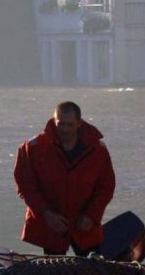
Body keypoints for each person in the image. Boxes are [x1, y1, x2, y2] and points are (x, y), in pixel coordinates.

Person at [13, 101, 116, 256]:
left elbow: (106, 187)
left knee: (93, 272)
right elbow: (26, 187)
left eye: (70, 125)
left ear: (79, 123)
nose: (65, 130)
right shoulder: (32, 149)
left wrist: (91, 215)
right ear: (54, 121)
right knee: (54, 273)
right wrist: (46, 214)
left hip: (85, 224)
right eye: (61, 124)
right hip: (51, 224)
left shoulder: (97, 150)